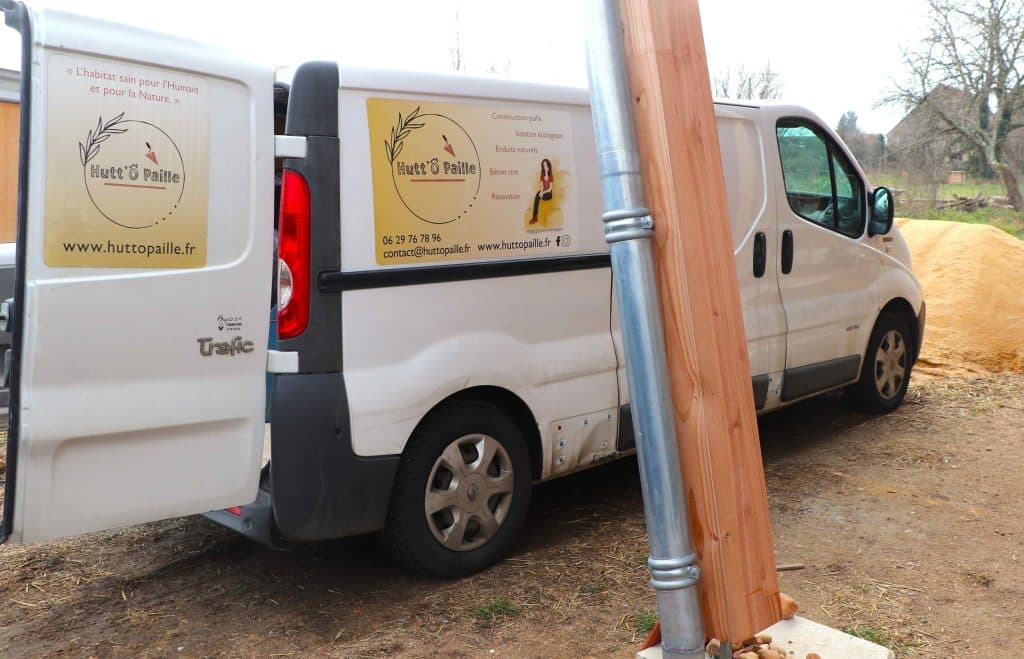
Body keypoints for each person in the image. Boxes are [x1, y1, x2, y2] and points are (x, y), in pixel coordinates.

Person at [529, 158, 554, 225]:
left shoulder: (551, 176)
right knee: (537, 195)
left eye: (546, 165)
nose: (545, 167)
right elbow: (542, 187)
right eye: (543, 165)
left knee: (542, 194)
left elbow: (550, 189)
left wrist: (543, 193)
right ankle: (534, 217)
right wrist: (541, 192)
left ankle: (534, 217)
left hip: (549, 194)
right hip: (544, 192)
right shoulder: (542, 176)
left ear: (548, 166)